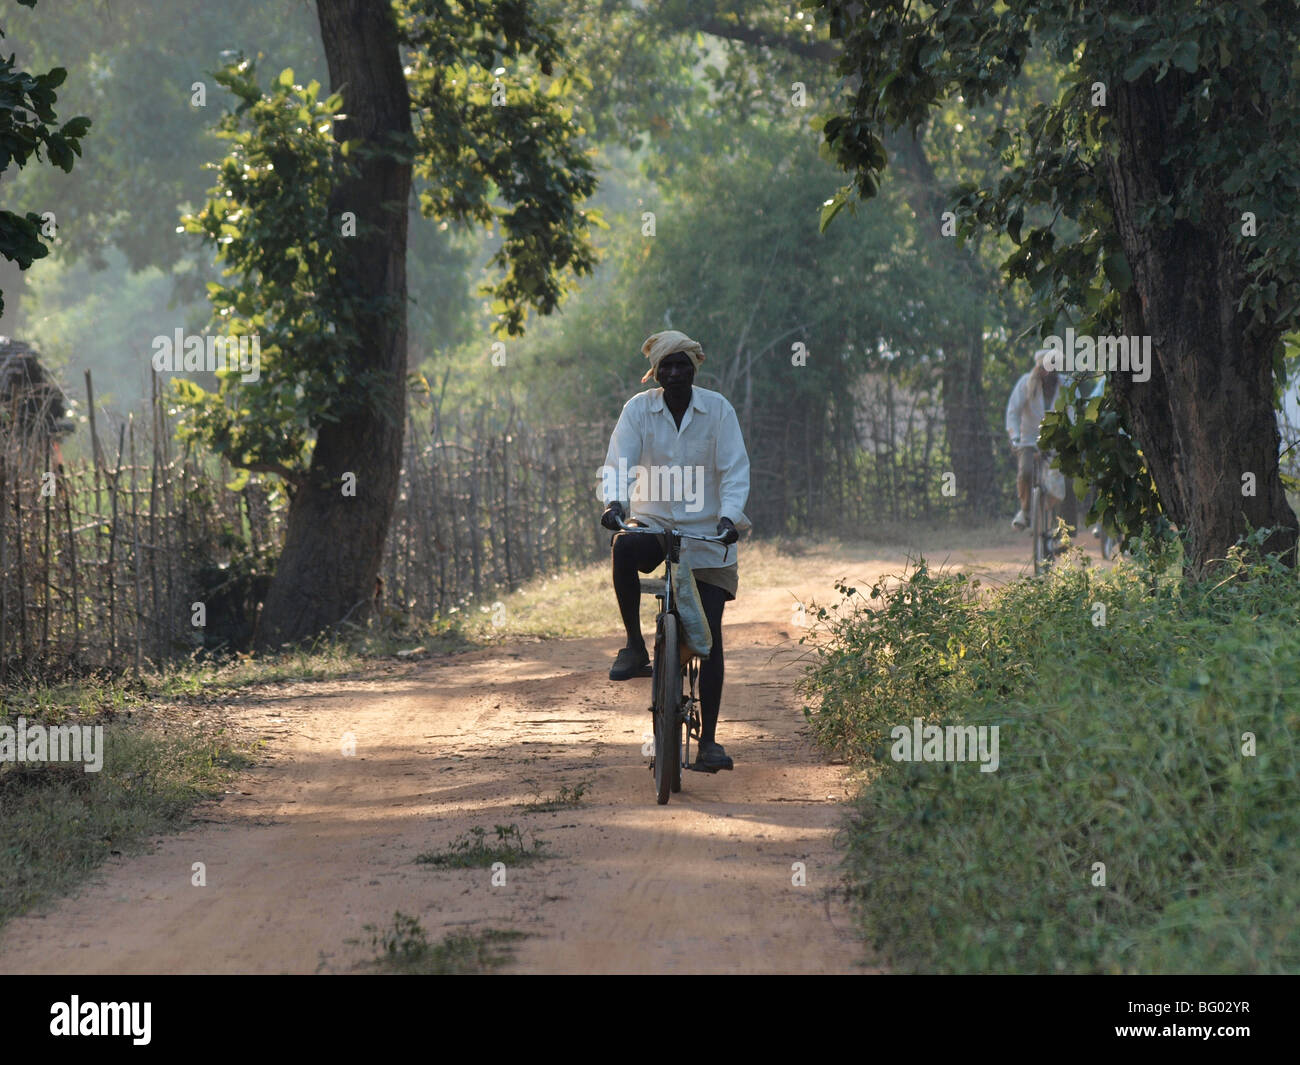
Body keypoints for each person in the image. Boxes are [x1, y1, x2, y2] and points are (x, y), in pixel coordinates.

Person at [599, 329, 751, 772]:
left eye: (682, 364)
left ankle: (709, 743)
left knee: (710, 639)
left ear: (693, 368)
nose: (675, 372)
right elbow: (619, 463)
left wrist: (729, 517)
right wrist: (615, 503)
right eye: (666, 365)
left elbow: (735, 469)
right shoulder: (638, 411)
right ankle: (634, 648)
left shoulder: (718, 410)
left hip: (708, 534)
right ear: (656, 373)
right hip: (655, 523)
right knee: (624, 546)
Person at [1005, 349, 1063, 530]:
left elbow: (1073, 413)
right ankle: (1026, 511)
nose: (1049, 372)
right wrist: (1014, 437)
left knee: (1065, 480)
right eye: (1046, 368)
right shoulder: (1025, 383)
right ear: (1039, 369)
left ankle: (1063, 528)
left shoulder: (1066, 385)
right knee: (1026, 471)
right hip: (1029, 439)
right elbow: (1013, 413)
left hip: (1056, 440)